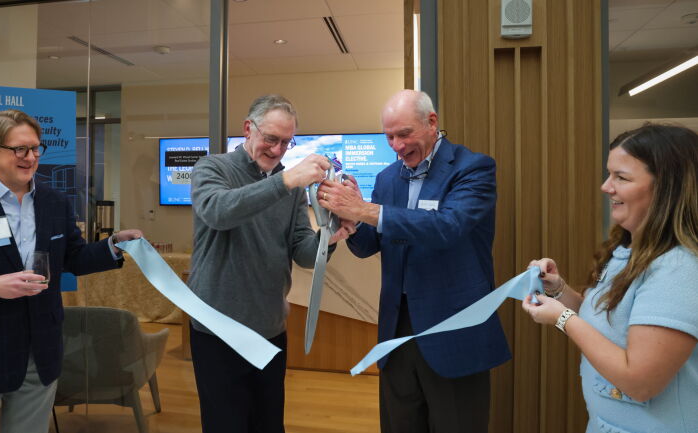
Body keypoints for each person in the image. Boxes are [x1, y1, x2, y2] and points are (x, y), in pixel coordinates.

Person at [0, 109, 143, 433]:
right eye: (20, 149)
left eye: (35, 148)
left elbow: (72, 257)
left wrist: (112, 245)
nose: (30, 157)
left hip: (39, 351)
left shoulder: (54, 202)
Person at [317, 89, 510, 433]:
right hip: (397, 331)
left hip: (452, 330)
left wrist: (364, 210)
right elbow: (367, 247)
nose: (396, 145)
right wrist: (351, 222)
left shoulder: (472, 169)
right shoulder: (387, 178)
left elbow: (447, 227)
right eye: (389, 136)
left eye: (404, 134)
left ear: (431, 123)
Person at [188, 94, 354, 433]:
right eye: (271, 139)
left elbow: (303, 253)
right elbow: (219, 212)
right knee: (226, 425)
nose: (278, 150)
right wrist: (287, 180)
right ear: (248, 129)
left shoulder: (289, 188)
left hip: (270, 328)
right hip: (219, 330)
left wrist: (331, 236)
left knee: (267, 424)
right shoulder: (213, 168)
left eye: (285, 142)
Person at [522, 124, 698, 432]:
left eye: (621, 177)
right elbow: (608, 328)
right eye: (609, 174)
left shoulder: (680, 268)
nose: (606, 187)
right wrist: (560, 291)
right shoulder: (626, 250)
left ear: (665, 188)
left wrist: (562, 318)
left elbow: (641, 382)